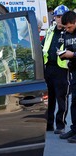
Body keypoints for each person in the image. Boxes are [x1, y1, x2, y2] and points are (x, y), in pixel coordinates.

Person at [42, 5, 70, 134]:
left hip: (62, 69)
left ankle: (60, 124)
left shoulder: (69, 33)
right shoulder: (50, 30)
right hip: (49, 68)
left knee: (61, 98)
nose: (59, 19)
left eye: (62, 17)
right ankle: (48, 124)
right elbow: (44, 46)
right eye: (57, 16)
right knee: (49, 99)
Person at [58, 10, 76, 142]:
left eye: (70, 27)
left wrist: (73, 55)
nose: (68, 30)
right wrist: (63, 54)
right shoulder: (66, 34)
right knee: (74, 103)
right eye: (65, 28)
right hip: (74, 72)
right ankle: (74, 129)